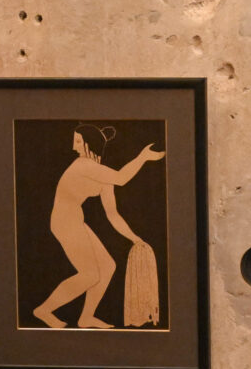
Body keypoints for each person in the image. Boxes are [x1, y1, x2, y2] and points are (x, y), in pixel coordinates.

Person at [31, 129, 163, 328]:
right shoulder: (82, 165)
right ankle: (43, 310)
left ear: (90, 143)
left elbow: (113, 215)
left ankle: (86, 318)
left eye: (78, 141)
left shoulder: (102, 175)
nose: (73, 147)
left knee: (108, 266)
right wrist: (142, 157)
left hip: (75, 222)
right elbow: (122, 178)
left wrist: (134, 238)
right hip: (63, 222)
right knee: (90, 274)